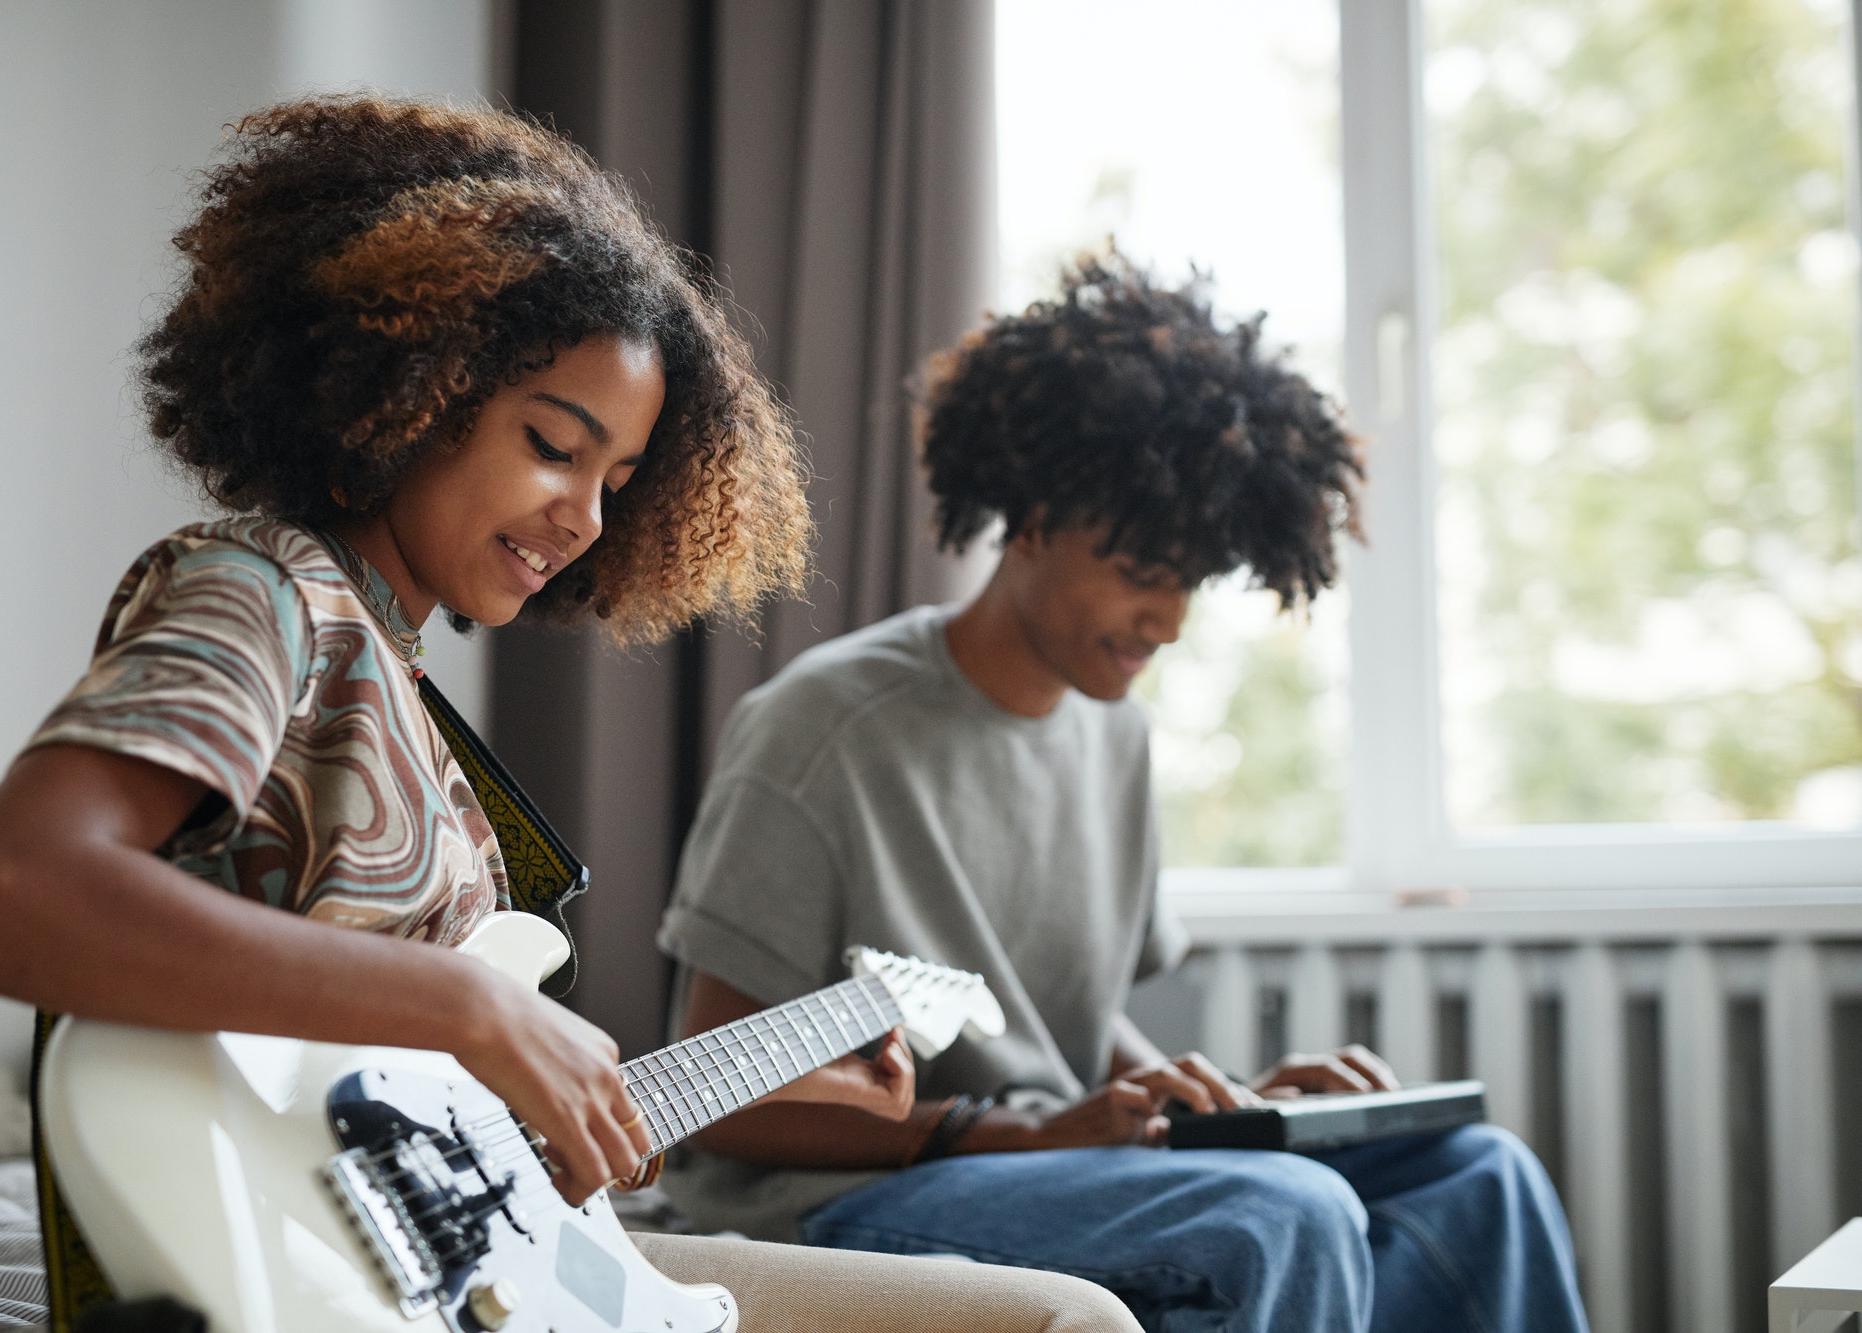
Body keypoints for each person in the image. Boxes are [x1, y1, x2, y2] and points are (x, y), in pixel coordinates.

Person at [0, 96, 1141, 1333]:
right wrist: (477, 1005)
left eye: (617, 482)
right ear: (403, 388)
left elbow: (428, 1145)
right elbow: (11, 892)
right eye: (554, 444)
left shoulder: (402, 693)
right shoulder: (264, 590)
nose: (588, 520)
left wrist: (742, 1091)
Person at [657, 255, 1592, 1333]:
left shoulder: (1117, 733)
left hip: (1044, 1159)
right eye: (1146, 570)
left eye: (1192, 579)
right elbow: (716, 1099)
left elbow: (1072, 1019)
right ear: (1036, 513)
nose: (1171, 620)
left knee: (1479, 1172)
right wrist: (1011, 1132)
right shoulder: (823, 727)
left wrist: (1223, 1106)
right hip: (836, 1200)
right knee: (1274, 1218)